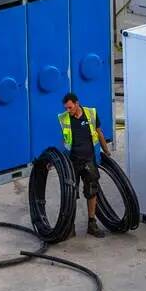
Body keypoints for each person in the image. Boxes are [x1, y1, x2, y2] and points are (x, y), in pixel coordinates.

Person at [59, 92, 112, 238]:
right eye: (66, 108)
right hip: (73, 162)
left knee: (92, 191)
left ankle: (92, 223)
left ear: (77, 103)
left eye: (70, 107)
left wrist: (106, 150)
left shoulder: (90, 113)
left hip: (89, 160)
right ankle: (70, 227)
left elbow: (99, 132)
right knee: (71, 194)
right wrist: (54, 161)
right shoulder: (64, 118)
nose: (68, 110)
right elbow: (62, 142)